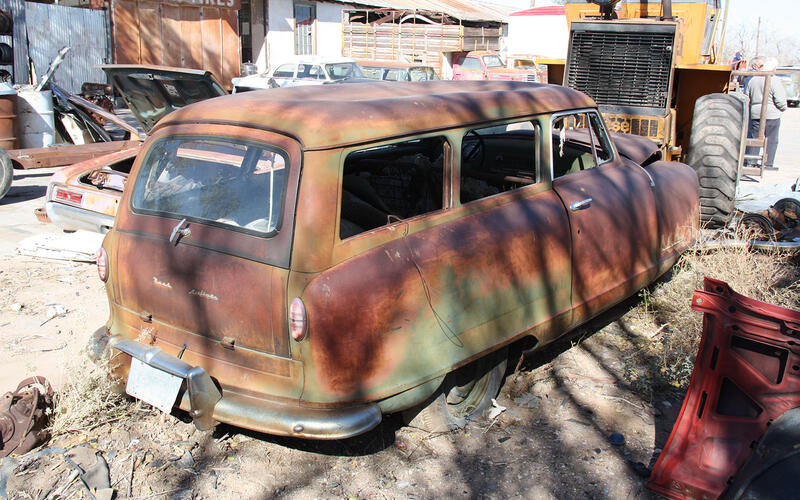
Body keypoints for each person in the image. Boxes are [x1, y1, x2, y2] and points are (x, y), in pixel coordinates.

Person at [746, 57, 787, 170]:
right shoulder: (774, 80)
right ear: (773, 68)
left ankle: (751, 161)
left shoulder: (753, 80)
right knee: (771, 139)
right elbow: (779, 99)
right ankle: (767, 163)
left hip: (755, 114)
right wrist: (782, 108)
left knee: (755, 137)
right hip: (771, 114)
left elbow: (747, 96)